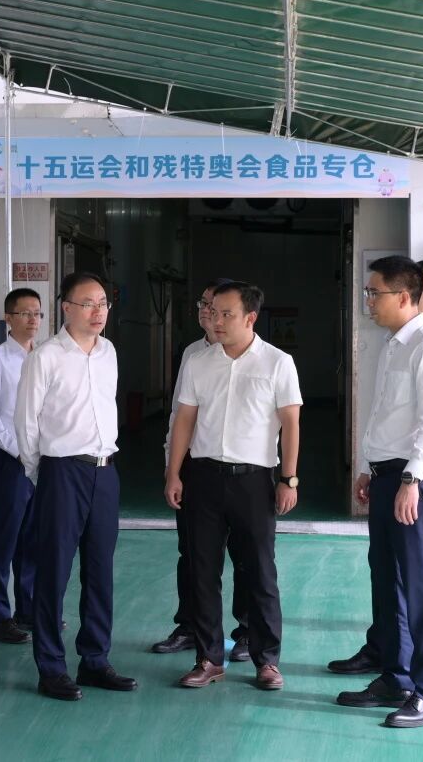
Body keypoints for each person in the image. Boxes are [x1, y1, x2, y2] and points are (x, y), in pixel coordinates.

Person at [328, 258, 423, 677]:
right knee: (387, 578)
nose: (369, 302)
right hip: (385, 473)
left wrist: (411, 479)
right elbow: (383, 415)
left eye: (374, 293)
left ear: (404, 298)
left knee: (421, 585)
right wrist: (366, 466)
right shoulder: (394, 345)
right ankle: (394, 675)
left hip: (414, 476)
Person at [164, 281, 301, 692]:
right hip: (203, 477)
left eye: (227, 314)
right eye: (213, 312)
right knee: (202, 571)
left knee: (259, 571)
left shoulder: (277, 363)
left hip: (254, 482)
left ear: (250, 318)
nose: (217, 320)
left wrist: (288, 479)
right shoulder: (198, 362)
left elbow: (291, 423)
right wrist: (174, 473)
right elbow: (184, 420)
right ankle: (209, 659)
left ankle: (267, 661)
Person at [16, 271, 137, 701]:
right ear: (66, 308)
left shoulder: (109, 353)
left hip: (105, 471)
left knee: (100, 570)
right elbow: (26, 423)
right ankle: (51, 667)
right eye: (88, 303)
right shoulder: (46, 357)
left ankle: (95, 660)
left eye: (103, 303)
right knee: (54, 571)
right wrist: (41, 473)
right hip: (62, 471)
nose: (98, 311)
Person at [151, 278, 253, 662]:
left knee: (244, 553)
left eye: (216, 307)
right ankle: (191, 625)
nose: (207, 312)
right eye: (203, 305)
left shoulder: (251, 355)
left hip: (239, 468)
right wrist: (172, 467)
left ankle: (248, 631)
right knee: (192, 552)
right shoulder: (193, 355)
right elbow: (179, 416)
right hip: (196, 466)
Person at [0, 288, 42, 645]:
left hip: (41, 459)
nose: (33, 320)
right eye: (26, 313)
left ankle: (28, 609)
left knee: (32, 536)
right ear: (9, 319)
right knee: (4, 537)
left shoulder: (44, 357)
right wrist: (19, 451)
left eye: (37, 313)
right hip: (11, 458)